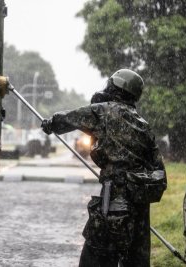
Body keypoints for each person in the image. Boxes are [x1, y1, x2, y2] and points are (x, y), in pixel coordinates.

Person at [41, 69, 166, 267]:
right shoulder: (144, 125)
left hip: (112, 201)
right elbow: (159, 171)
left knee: (96, 256)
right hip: (139, 206)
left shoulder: (103, 110)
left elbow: (67, 118)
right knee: (135, 259)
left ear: (115, 86)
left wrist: (50, 124)